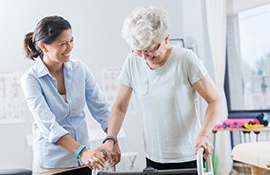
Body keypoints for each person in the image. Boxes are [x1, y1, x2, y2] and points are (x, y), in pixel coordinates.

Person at [100, 5, 222, 171]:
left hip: (188, 155)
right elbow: (119, 107)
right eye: (140, 52)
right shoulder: (132, 61)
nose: (146, 58)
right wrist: (111, 139)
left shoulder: (185, 59)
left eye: (151, 50)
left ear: (166, 39)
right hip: (153, 157)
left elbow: (215, 100)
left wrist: (203, 134)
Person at [21, 15, 120, 175]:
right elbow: (49, 126)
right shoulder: (31, 79)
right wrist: (82, 152)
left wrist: (112, 140)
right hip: (52, 165)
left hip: (83, 162)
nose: (70, 47)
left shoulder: (80, 69)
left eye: (71, 41)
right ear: (44, 46)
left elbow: (102, 110)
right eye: (63, 44)